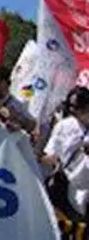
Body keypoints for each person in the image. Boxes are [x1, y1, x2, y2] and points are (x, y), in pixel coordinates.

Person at [40, 87, 89, 218]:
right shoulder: (64, 126)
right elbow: (50, 154)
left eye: (77, 107)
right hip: (62, 185)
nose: (72, 110)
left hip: (85, 193)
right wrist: (42, 158)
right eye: (70, 106)